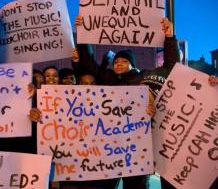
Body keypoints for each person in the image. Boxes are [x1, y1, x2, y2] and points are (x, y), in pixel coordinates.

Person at [75, 15, 180, 189]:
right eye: (116, 61)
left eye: (124, 61)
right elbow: (87, 62)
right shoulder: (106, 77)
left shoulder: (143, 77)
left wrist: (169, 37)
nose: (119, 63)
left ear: (132, 65)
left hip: (136, 147)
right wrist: (82, 34)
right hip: (108, 146)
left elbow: (171, 67)